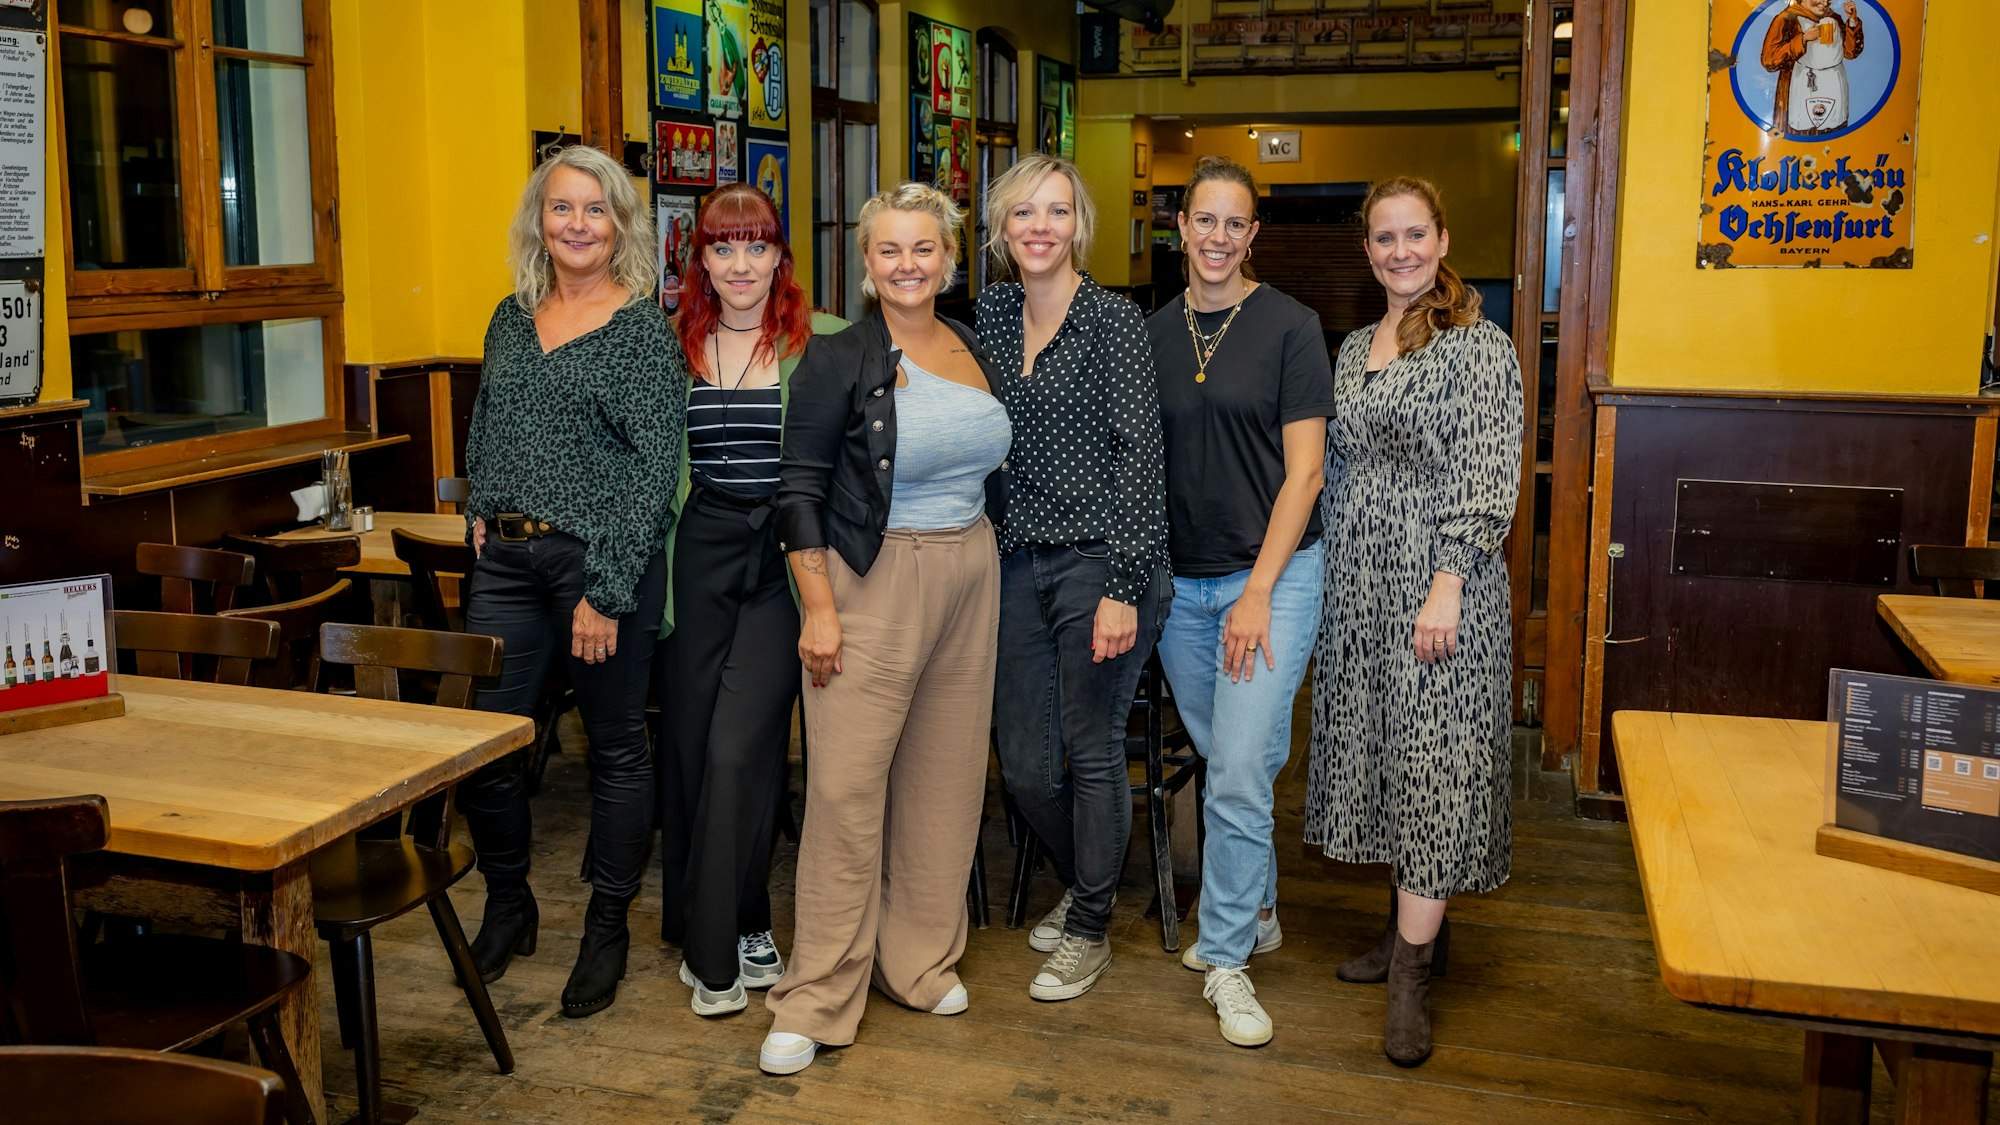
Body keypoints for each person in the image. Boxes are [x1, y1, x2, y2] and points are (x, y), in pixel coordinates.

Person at [760, 183, 1012, 1075]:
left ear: (948, 258)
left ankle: (918, 959)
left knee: (946, 781)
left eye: (925, 249)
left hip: (970, 570)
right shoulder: (839, 358)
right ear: (865, 265)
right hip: (872, 578)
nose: (909, 265)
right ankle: (819, 992)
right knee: (844, 789)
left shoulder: (972, 345)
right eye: (889, 251)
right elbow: (797, 487)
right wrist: (820, 607)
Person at [457, 144, 686, 1018]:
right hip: (507, 562)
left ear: (620, 224)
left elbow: (650, 470)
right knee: (488, 747)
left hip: (600, 563)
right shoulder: (510, 318)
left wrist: (609, 587)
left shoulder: (640, 331)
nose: (578, 224)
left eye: (596, 209)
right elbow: (489, 417)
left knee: (616, 749)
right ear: (539, 221)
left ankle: (606, 927)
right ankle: (509, 902)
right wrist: (481, 502)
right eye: (562, 208)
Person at [1307, 176, 1523, 1067]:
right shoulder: (1357, 343)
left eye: (1414, 235)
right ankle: (1416, 929)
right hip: (1360, 581)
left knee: (1433, 763)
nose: (1399, 250)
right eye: (1383, 238)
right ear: (1368, 251)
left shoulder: (1481, 346)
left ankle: (1409, 977)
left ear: (1441, 239)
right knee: (1390, 759)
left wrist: (1448, 582)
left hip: (1440, 583)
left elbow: (1487, 473)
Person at [1145, 156, 1333, 1048]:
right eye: (1203, 220)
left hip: (1278, 575)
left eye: (1235, 223)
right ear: (1179, 226)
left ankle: (1225, 960)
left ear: (1253, 235)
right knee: (1232, 755)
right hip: (1182, 583)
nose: (1218, 237)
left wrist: (1258, 590)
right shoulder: (1150, 333)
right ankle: (1255, 906)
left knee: (1238, 769)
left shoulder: (1293, 328)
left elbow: (1307, 473)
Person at [975, 153, 1168, 1003]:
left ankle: (1088, 924)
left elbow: (1140, 459)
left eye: (1056, 212)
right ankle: (1087, 881)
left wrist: (1125, 584)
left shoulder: (1113, 320)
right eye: (1023, 214)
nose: (1040, 228)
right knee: (1022, 764)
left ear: (1078, 226)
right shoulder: (988, 314)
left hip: (1103, 558)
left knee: (1091, 749)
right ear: (1001, 231)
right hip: (1017, 558)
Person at [656, 184, 847, 1017]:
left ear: (780, 257)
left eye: (756, 246)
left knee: (744, 744)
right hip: (695, 559)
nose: (740, 263)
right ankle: (743, 920)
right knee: (696, 751)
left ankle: (713, 956)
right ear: (700, 259)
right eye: (723, 247)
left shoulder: (829, 342)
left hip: (782, 561)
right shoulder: (673, 346)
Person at [1759, 0, 1864, 136]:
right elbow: (1769, 60)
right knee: (1800, 133)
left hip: (1834, 86)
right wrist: (1803, 39)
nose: (1825, 3)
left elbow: (1850, 52)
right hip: (1799, 88)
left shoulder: (1834, 18)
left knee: (1833, 133)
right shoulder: (1786, 19)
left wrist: (1852, 21)